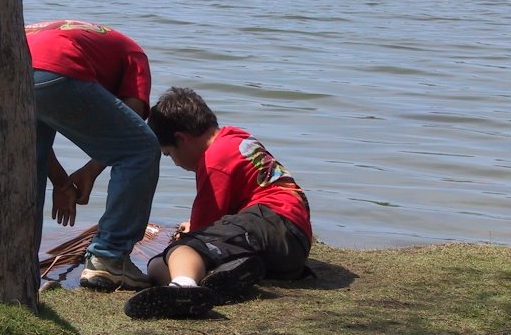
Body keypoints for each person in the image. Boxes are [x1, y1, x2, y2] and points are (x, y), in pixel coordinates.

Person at [124, 87, 313, 319]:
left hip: (271, 220)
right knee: (175, 261)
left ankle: (183, 288)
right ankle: (223, 277)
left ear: (181, 139)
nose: (174, 162)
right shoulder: (236, 137)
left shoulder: (214, 159)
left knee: (177, 252)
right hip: (291, 245)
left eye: (169, 153)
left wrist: (190, 231)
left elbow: (202, 231)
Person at [27, 20, 160, 291]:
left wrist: (62, 183)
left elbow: (35, 147)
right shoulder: (135, 54)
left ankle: (20, 265)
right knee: (143, 149)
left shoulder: (60, 31)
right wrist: (90, 171)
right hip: (59, 63)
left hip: (5, 65)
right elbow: (131, 127)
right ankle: (109, 259)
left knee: (29, 157)